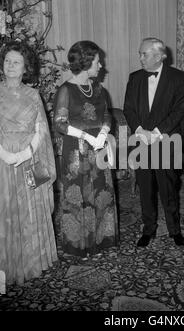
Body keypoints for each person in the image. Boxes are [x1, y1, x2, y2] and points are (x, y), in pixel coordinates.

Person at [53, 40, 118, 257]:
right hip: (76, 152)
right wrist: (85, 135)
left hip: (99, 149)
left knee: (101, 193)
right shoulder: (66, 90)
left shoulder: (99, 89)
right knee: (78, 196)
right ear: (87, 62)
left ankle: (100, 242)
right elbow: (59, 123)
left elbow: (107, 115)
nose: (101, 66)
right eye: (98, 62)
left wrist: (102, 133)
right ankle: (79, 245)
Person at [0, 41, 57, 285]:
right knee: (6, 211)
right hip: (1, 160)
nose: (10, 66)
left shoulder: (33, 95)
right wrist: (5, 154)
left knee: (30, 209)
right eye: (7, 61)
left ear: (26, 68)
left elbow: (41, 129)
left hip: (29, 160)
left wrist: (25, 154)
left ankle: (29, 262)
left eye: (16, 62)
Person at [124, 37, 184, 247]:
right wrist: (141, 130)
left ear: (160, 56)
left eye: (145, 54)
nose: (140, 58)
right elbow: (129, 109)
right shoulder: (135, 78)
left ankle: (174, 230)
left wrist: (158, 132)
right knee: (145, 189)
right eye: (140, 54)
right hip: (141, 140)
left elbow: (179, 111)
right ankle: (148, 229)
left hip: (167, 141)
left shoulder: (179, 78)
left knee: (169, 188)